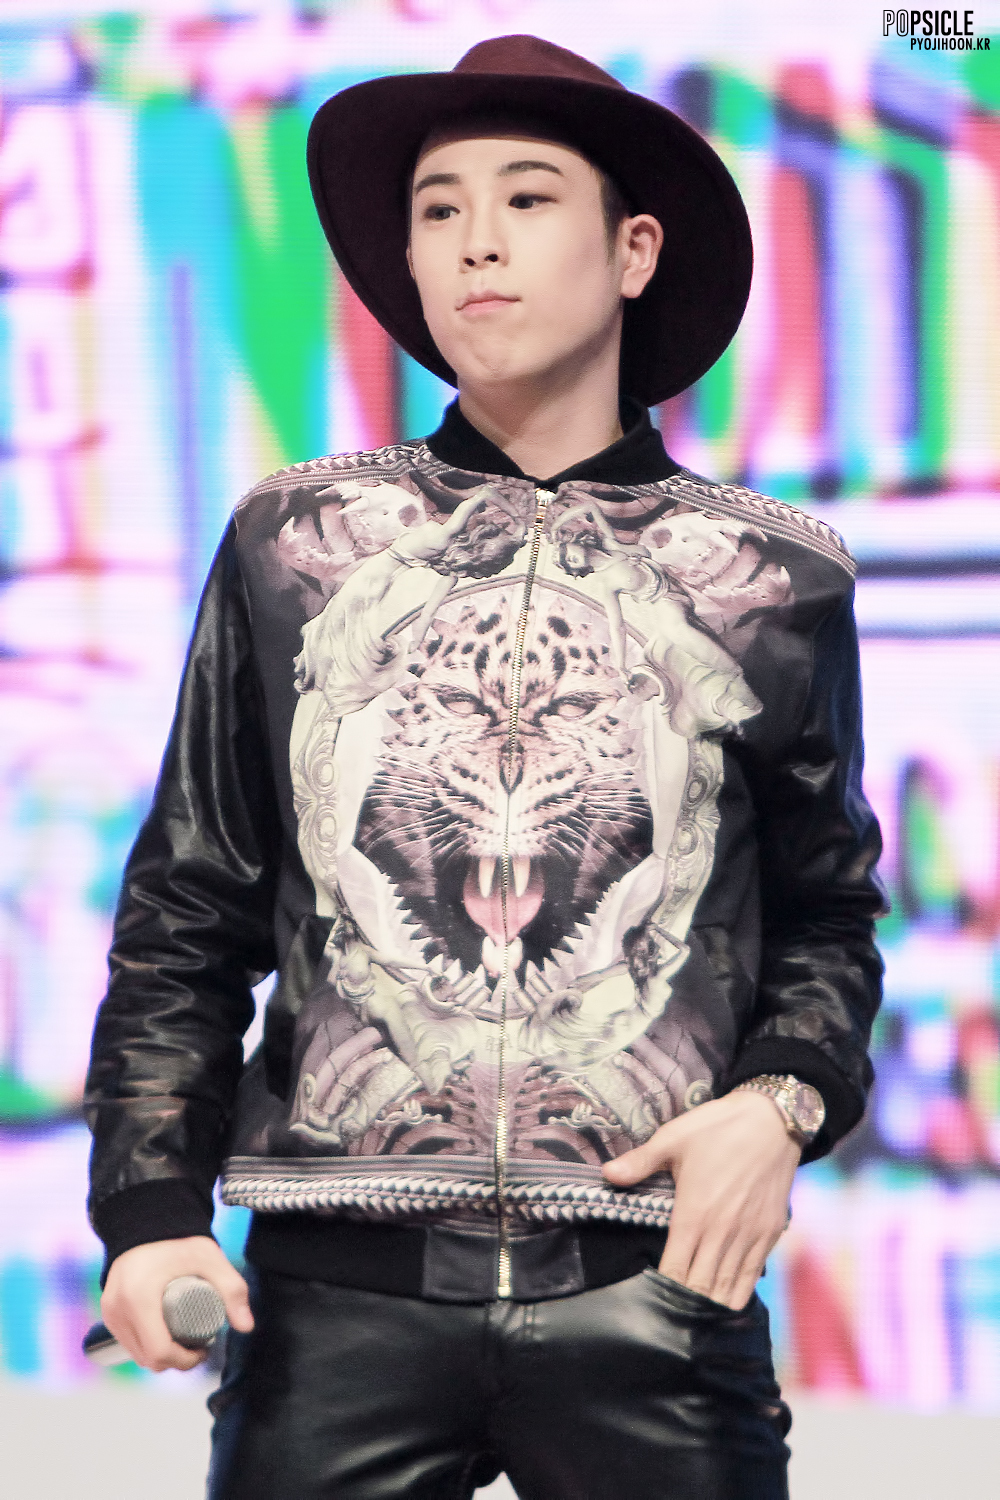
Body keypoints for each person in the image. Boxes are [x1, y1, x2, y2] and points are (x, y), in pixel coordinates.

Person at [85, 34, 885, 1500]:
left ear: (634, 250)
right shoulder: (299, 544)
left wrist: (781, 1102)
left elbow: (827, 914)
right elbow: (191, 901)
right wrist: (146, 1206)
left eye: (526, 199)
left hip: (654, 1284)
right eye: (439, 209)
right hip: (334, 1296)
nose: (476, 243)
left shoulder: (769, 577)